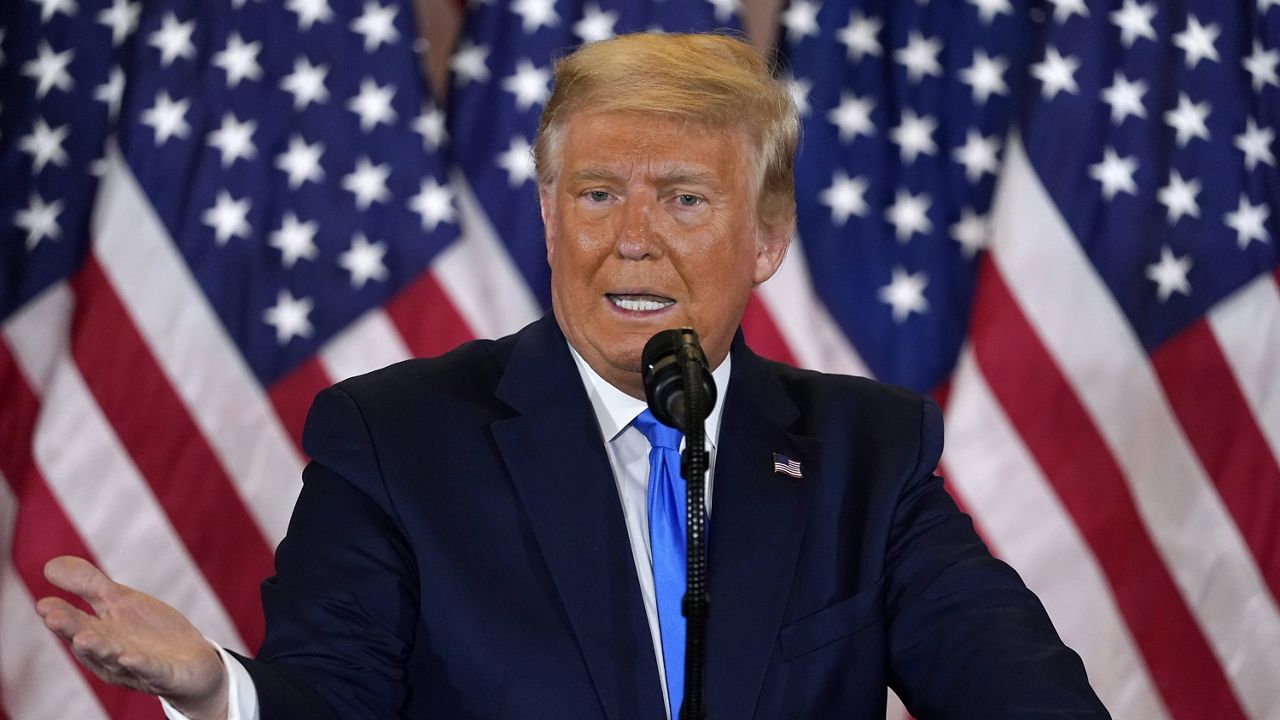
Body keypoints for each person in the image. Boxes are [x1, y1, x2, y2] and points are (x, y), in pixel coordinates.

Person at [37, 32, 1110, 719]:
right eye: (596, 195)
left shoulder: (863, 454)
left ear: (767, 236)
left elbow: (1020, 698)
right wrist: (219, 692)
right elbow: (329, 699)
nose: (629, 241)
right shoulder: (394, 438)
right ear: (548, 217)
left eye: (684, 200)